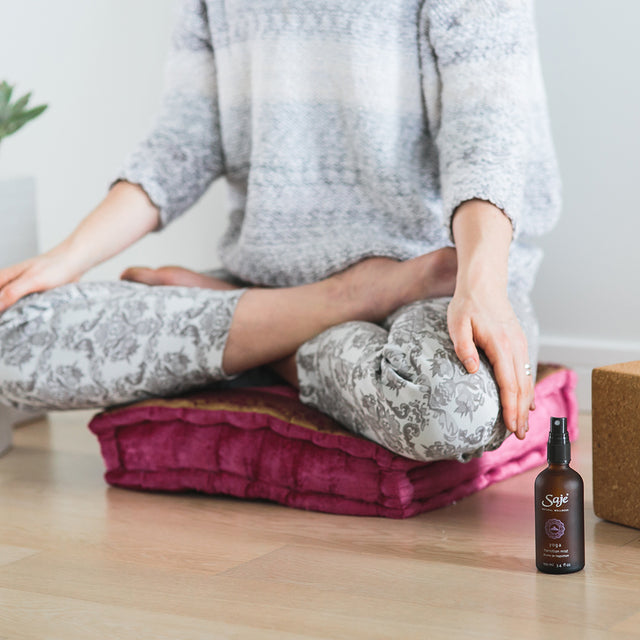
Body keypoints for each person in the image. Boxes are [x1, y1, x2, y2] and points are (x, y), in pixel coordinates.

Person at [0, 0, 560, 463]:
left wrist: (482, 286)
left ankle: (260, 331)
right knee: (11, 337)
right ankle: (338, 299)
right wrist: (67, 258)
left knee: (454, 407)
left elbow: (485, 139)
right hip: (280, 276)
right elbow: (182, 146)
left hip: (440, 276)